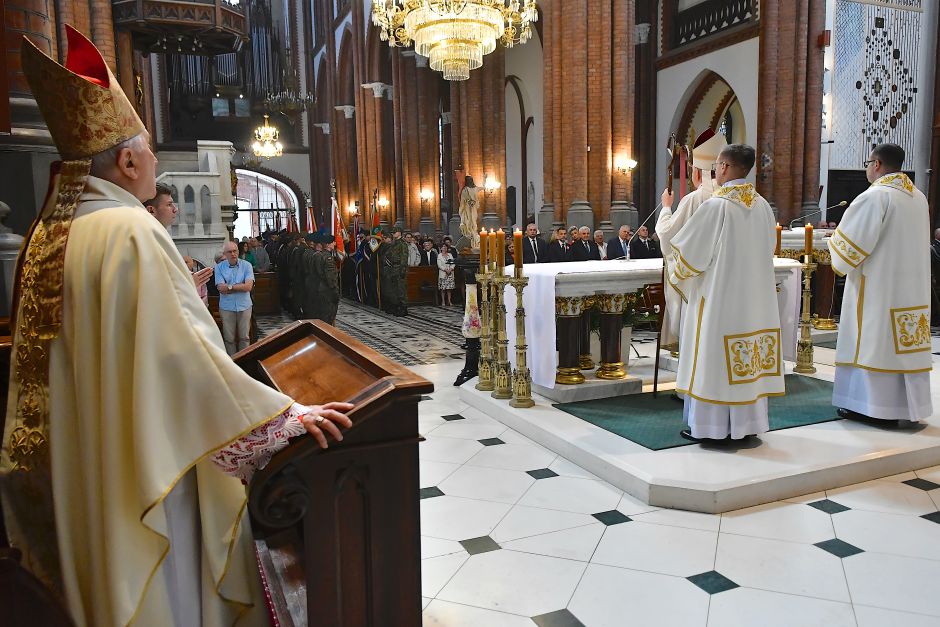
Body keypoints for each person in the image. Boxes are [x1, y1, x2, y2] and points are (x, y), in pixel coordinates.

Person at [1, 27, 352, 626]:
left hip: (89, 458)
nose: (157, 164)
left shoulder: (49, 236)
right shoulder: (130, 231)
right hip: (145, 466)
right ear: (129, 159)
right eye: (150, 152)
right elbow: (184, 358)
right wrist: (284, 417)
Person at [668, 143, 783, 442]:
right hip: (753, 305)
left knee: (715, 360)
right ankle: (747, 426)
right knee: (748, 362)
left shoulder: (716, 206)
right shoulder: (762, 207)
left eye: (717, 165)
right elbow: (770, 248)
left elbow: (690, 258)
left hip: (719, 302)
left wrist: (674, 267)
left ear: (724, 167)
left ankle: (712, 428)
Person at [828, 143, 932, 427]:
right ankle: (904, 406)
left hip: (879, 290)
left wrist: (832, 242)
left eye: (867, 163)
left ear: (876, 164)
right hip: (911, 293)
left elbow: (849, 249)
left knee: (875, 343)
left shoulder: (875, 197)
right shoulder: (918, 197)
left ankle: (872, 407)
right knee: (901, 349)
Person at [657, 128, 728, 350]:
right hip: (723, 277)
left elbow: (668, 235)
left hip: (697, 279)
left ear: (697, 173)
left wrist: (666, 208)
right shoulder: (732, 197)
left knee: (696, 335)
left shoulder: (695, 199)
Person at [216, 240, 256, 354]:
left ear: (238, 251)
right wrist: (239, 286)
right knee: (229, 339)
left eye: (235, 251)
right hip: (226, 307)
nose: (233, 254)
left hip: (244, 306)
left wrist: (229, 287)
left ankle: (244, 362)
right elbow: (220, 288)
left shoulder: (247, 265)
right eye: (229, 252)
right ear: (225, 254)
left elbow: (248, 287)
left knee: (245, 337)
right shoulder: (219, 267)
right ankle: (233, 364)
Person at [380, 226, 409, 317]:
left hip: (399, 268)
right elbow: (388, 255)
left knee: (401, 290)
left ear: (399, 233)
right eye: (392, 232)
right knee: (394, 290)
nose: (393, 234)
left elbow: (404, 258)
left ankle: (403, 308)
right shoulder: (394, 243)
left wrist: (402, 270)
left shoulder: (402, 244)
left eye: (394, 232)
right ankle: (397, 307)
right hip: (393, 269)